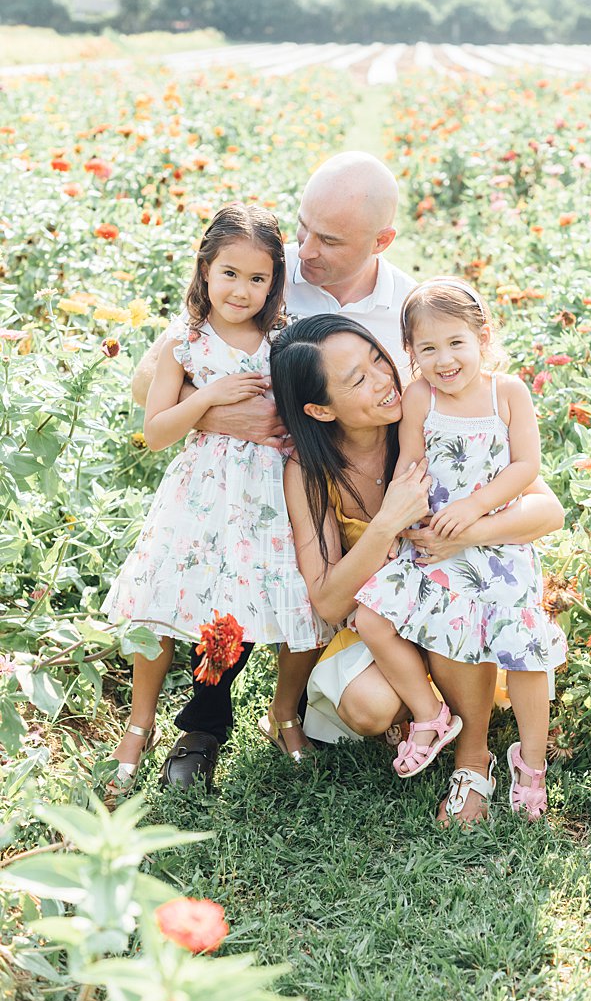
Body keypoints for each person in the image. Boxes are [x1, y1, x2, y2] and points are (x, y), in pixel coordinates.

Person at [127, 152, 417, 787]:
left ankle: (320, 703)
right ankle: (204, 727)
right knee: (231, 579)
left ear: (382, 242)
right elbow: (151, 379)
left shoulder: (407, 313)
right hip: (256, 484)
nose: (305, 247)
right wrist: (213, 416)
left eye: (329, 239)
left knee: (297, 597)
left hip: (353, 497)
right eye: (302, 226)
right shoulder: (271, 278)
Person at [271, 314, 565, 825]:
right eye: (357, 380)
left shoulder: (431, 415)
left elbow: (548, 511)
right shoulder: (310, 470)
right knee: (368, 708)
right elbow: (328, 600)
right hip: (380, 610)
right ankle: (430, 712)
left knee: (455, 600)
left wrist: (462, 532)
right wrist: (387, 523)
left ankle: (473, 756)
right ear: (319, 409)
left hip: (450, 592)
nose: (385, 381)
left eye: (378, 360)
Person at [102, 203, 320, 802]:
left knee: (289, 602)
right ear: (204, 269)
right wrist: (210, 398)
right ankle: (139, 725)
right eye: (229, 273)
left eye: (258, 278)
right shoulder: (185, 339)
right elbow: (155, 432)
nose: (241, 290)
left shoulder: (285, 339)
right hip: (201, 494)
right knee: (164, 600)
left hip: (271, 494)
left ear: (275, 280)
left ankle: (284, 716)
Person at [353, 281, 564, 815]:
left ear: (482, 338)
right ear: (411, 353)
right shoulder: (419, 396)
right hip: (432, 540)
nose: (443, 360)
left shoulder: (507, 393)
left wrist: (473, 510)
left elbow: (525, 468)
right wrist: (397, 522)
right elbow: (409, 463)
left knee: (522, 654)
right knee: (373, 616)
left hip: (494, 546)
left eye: (456, 344)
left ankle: (530, 762)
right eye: (427, 349)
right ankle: (432, 716)